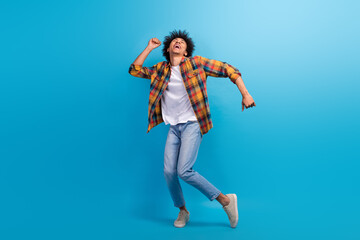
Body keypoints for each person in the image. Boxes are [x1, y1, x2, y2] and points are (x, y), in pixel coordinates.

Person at [128, 29, 256, 228]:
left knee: (184, 170)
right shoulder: (161, 70)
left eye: (182, 42)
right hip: (173, 128)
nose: (178, 42)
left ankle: (226, 201)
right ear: (169, 49)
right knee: (169, 172)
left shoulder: (197, 64)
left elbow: (230, 70)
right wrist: (148, 47)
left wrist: (245, 94)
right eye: (174, 41)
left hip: (192, 124)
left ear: (186, 51)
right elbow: (135, 70)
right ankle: (183, 211)